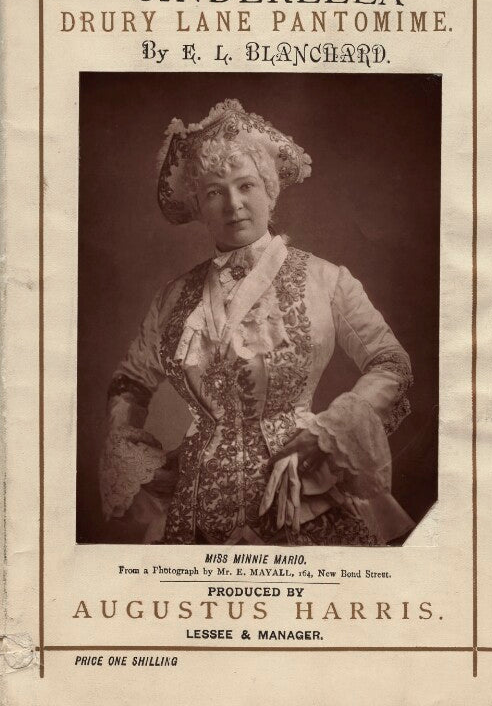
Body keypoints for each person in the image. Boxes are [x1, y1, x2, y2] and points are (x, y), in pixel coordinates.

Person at [99, 99, 415, 546]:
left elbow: (391, 363)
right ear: (199, 204)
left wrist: (326, 435)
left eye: (245, 185)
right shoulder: (172, 299)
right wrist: (141, 463)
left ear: (269, 189)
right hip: (192, 518)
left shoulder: (326, 280)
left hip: (304, 503)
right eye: (214, 192)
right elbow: (129, 382)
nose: (234, 205)